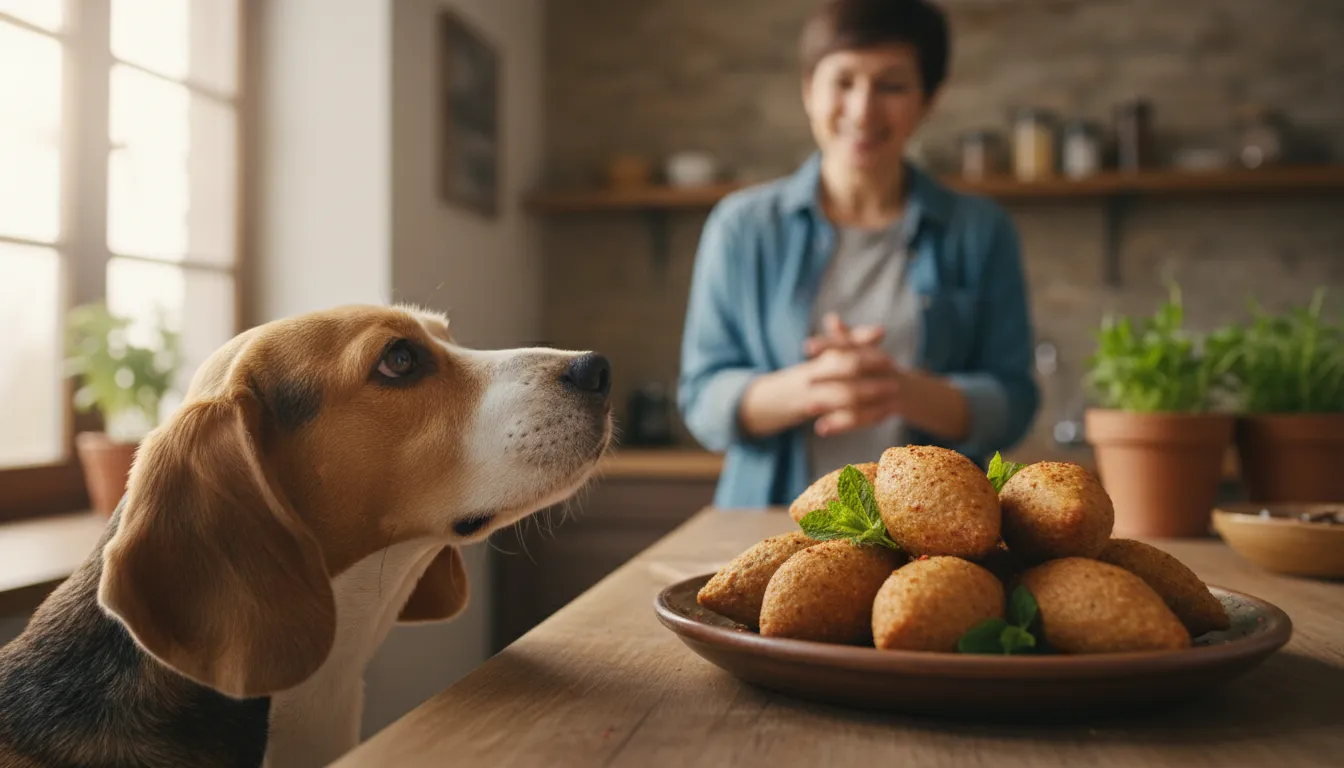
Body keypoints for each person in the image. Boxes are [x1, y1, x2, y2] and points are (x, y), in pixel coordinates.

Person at [677, 0, 1040, 509]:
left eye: (891, 85)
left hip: (934, 531)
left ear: (928, 100)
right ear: (809, 90)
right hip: (767, 519)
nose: (863, 109)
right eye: (843, 81)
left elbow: (1015, 402)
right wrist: (815, 387)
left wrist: (899, 390)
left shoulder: (981, 230)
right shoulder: (741, 227)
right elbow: (702, 401)